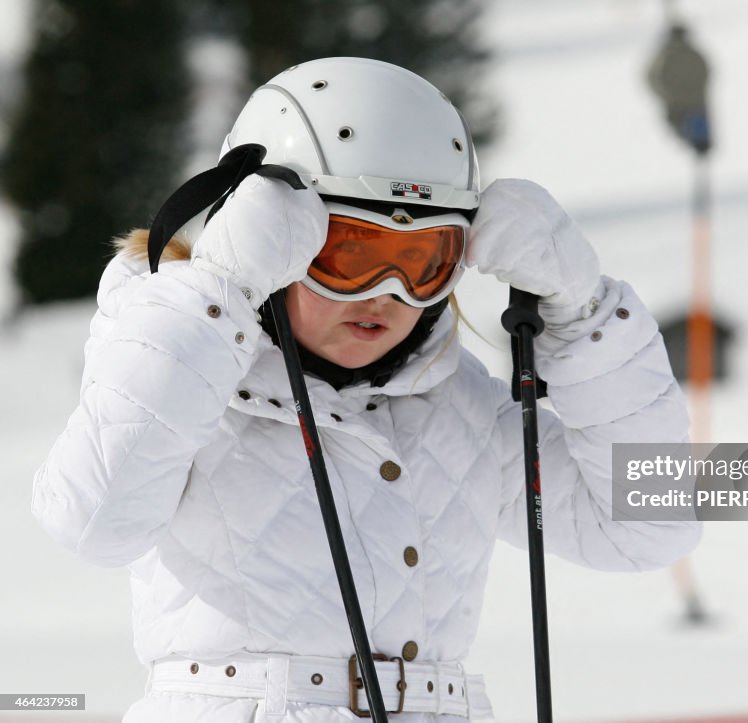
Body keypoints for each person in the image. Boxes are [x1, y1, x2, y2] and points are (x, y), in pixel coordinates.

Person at [31, 57, 700, 722]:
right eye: (348, 254)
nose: (386, 294)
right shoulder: (183, 379)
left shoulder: (467, 412)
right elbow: (91, 521)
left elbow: (651, 525)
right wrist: (217, 294)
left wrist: (586, 315)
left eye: (421, 261)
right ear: (269, 234)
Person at [647, 22, 713, 156]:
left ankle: (698, 146)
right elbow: (704, 71)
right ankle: (700, 146)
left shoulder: (666, 56)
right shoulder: (692, 54)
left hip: (678, 104)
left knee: (682, 129)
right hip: (695, 101)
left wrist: (667, 95)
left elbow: (654, 78)